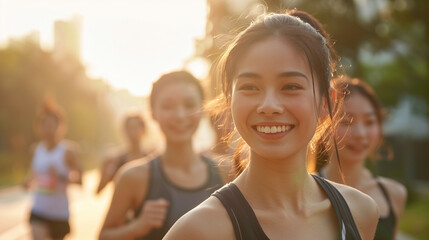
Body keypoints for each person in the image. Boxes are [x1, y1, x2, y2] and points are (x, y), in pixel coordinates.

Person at [164, 11, 379, 240]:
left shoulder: (360, 212)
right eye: (250, 87)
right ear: (230, 100)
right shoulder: (200, 231)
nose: (269, 106)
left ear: (327, 103)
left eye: (291, 86)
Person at [99, 70, 225, 240]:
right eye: (168, 106)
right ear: (152, 113)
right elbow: (103, 236)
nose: (180, 116)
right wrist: (137, 227)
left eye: (189, 105)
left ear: (203, 109)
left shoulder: (226, 172)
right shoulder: (133, 177)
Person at [317, 76, 407, 240]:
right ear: (324, 126)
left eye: (369, 122)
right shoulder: (306, 193)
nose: (360, 134)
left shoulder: (394, 194)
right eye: (346, 121)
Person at [22, 97, 82, 240]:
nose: (48, 128)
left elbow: (80, 181)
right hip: (38, 210)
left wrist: (61, 176)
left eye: (52, 124)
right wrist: (26, 182)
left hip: (59, 215)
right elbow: (33, 174)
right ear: (39, 127)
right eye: (45, 124)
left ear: (60, 126)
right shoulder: (36, 149)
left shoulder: (68, 151)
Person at [96, 113, 151, 194]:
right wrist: (108, 172)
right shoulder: (116, 160)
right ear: (124, 131)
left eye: (136, 127)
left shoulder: (151, 159)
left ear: (143, 130)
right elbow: (98, 190)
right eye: (130, 128)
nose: (133, 132)